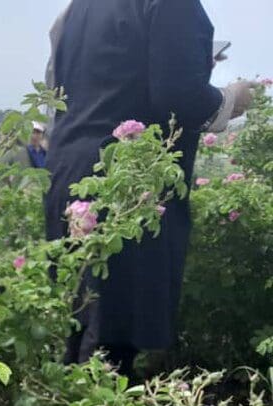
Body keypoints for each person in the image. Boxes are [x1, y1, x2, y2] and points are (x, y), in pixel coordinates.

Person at [45, 0, 258, 377]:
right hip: (124, 179)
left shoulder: (79, 8)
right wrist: (231, 98)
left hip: (69, 170)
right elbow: (181, 96)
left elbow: (71, 82)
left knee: (79, 320)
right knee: (111, 336)